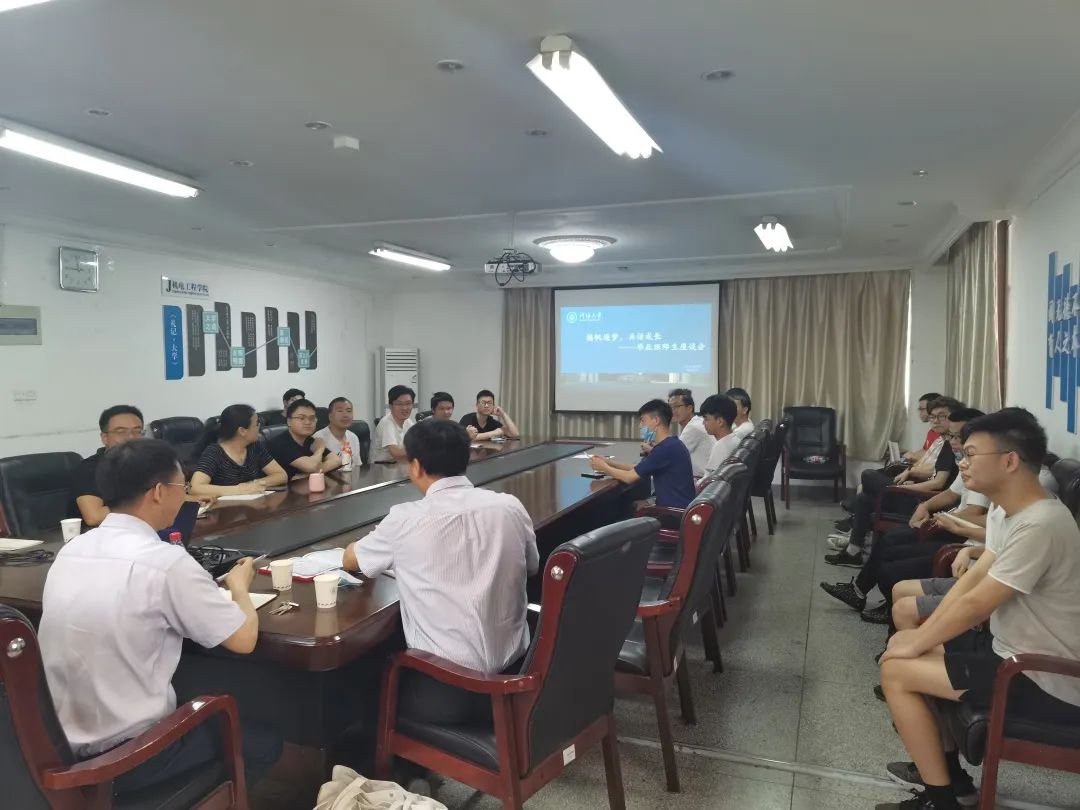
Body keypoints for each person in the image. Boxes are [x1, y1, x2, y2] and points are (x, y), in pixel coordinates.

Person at [39, 439, 282, 794]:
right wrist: (239, 587)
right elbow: (243, 639)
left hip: (58, 749)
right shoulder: (165, 563)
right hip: (128, 757)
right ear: (158, 492)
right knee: (264, 742)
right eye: (182, 486)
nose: (185, 494)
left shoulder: (72, 549)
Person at [875, 409, 1080, 810]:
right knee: (909, 648)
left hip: (1044, 676)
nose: (962, 463)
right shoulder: (1009, 510)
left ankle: (942, 800)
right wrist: (918, 638)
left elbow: (977, 603)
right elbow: (969, 584)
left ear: (1009, 460)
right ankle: (954, 783)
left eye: (970, 454)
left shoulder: (1042, 524)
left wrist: (915, 644)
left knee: (897, 670)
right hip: (1007, 651)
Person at [342, 419, 538, 724]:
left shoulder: (405, 519)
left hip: (448, 693)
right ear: (466, 458)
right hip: (518, 675)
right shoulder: (509, 506)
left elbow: (351, 561)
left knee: (365, 678)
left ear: (415, 466)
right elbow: (532, 566)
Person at [820, 409, 986, 622]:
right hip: (944, 521)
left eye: (956, 437)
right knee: (871, 509)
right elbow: (951, 493)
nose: (951, 442)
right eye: (950, 436)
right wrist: (925, 506)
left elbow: (972, 511)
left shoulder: (980, 469)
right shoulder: (964, 460)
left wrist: (941, 518)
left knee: (889, 549)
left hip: (955, 532)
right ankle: (858, 588)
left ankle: (882, 601)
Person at [589, 399, 695, 509]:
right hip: (676, 507)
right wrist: (608, 462)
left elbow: (629, 477)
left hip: (671, 512)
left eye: (643, 421)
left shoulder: (665, 449)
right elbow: (638, 468)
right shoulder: (671, 444)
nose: (640, 426)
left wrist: (604, 468)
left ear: (656, 420)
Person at [71, 404, 145, 528]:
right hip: (98, 535)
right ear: (104, 438)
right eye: (121, 432)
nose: (131, 437)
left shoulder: (148, 463)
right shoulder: (90, 469)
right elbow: (94, 517)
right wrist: (142, 502)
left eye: (137, 431)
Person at [189, 404, 287, 496]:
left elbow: (281, 475)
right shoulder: (215, 452)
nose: (259, 427)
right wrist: (239, 490)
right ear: (242, 431)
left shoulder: (255, 447)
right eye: (257, 424)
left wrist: (254, 483)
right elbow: (195, 488)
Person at [268, 398, 342, 479]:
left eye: (312, 418)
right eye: (301, 418)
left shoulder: (310, 440)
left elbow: (336, 460)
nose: (307, 422)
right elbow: (311, 466)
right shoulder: (279, 443)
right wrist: (319, 449)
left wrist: (313, 472)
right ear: (289, 421)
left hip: (303, 485)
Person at [665, 388, 715, 477]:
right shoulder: (695, 422)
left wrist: (651, 449)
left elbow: (672, 455)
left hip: (701, 480)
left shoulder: (693, 427)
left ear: (689, 408)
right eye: (670, 407)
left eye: (676, 406)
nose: (672, 411)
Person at [372, 386, 417, 463]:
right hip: (381, 467)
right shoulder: (387, 423)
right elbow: (396, 453)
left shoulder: (408, 422)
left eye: (408, 403)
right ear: (390, 406)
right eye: (399, 404)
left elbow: (417, 442)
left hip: (399, 466)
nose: (404, 408)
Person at [700, 394, 740, 475]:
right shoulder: (736, 439)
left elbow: (710, 479)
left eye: (706, 419)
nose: (703, 423)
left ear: (720, 422)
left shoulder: (721, 446)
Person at [315, 396, 363, 464]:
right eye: (340, 411)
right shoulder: (318, 438)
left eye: (349, 411)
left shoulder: (353, 437)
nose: (345, 415)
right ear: (330, 416)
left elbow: (357, 465)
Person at [904, 392, 942, 463]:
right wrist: (911, 455)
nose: (919, 412)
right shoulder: (931, 431)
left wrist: (913, 456)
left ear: (933, 409)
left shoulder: (942, 433)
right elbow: (924, 450)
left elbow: (932, 457)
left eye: (921, 409)